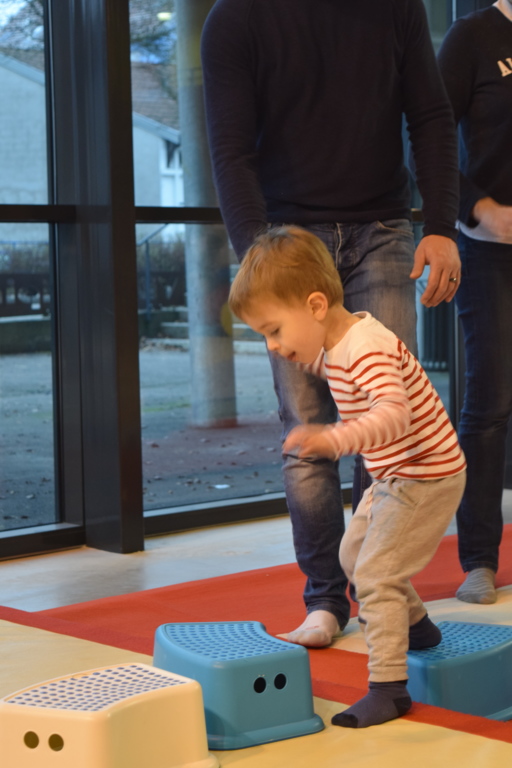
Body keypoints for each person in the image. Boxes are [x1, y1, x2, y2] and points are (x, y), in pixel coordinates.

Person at [201, 0, 461, 648]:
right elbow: (231, 151)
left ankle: (380, 589)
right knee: (306, 428)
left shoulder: (396, 6)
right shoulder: (235, 18)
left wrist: (440, 226)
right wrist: (263, 262)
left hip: (382, 229)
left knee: (386, 416)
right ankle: (324, 598)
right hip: (288, 237)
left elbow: (429, 116)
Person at [228, 226, 466, 728]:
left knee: (376, 575)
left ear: (316, 305)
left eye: (274, 330)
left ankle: (389, 689)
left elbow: (394, 414)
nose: (273, 346)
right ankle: (418, 627)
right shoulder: (338, 343)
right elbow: (332, 366)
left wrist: (334, 438)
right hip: (397, 475)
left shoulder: (367, 347)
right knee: (353, 556)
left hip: (425, 475)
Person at [437, 0, 512, 605]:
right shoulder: (473, 37)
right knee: (490, 402)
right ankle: (480, 560)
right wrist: (479, 209)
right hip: (490, 252)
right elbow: (426, 138)